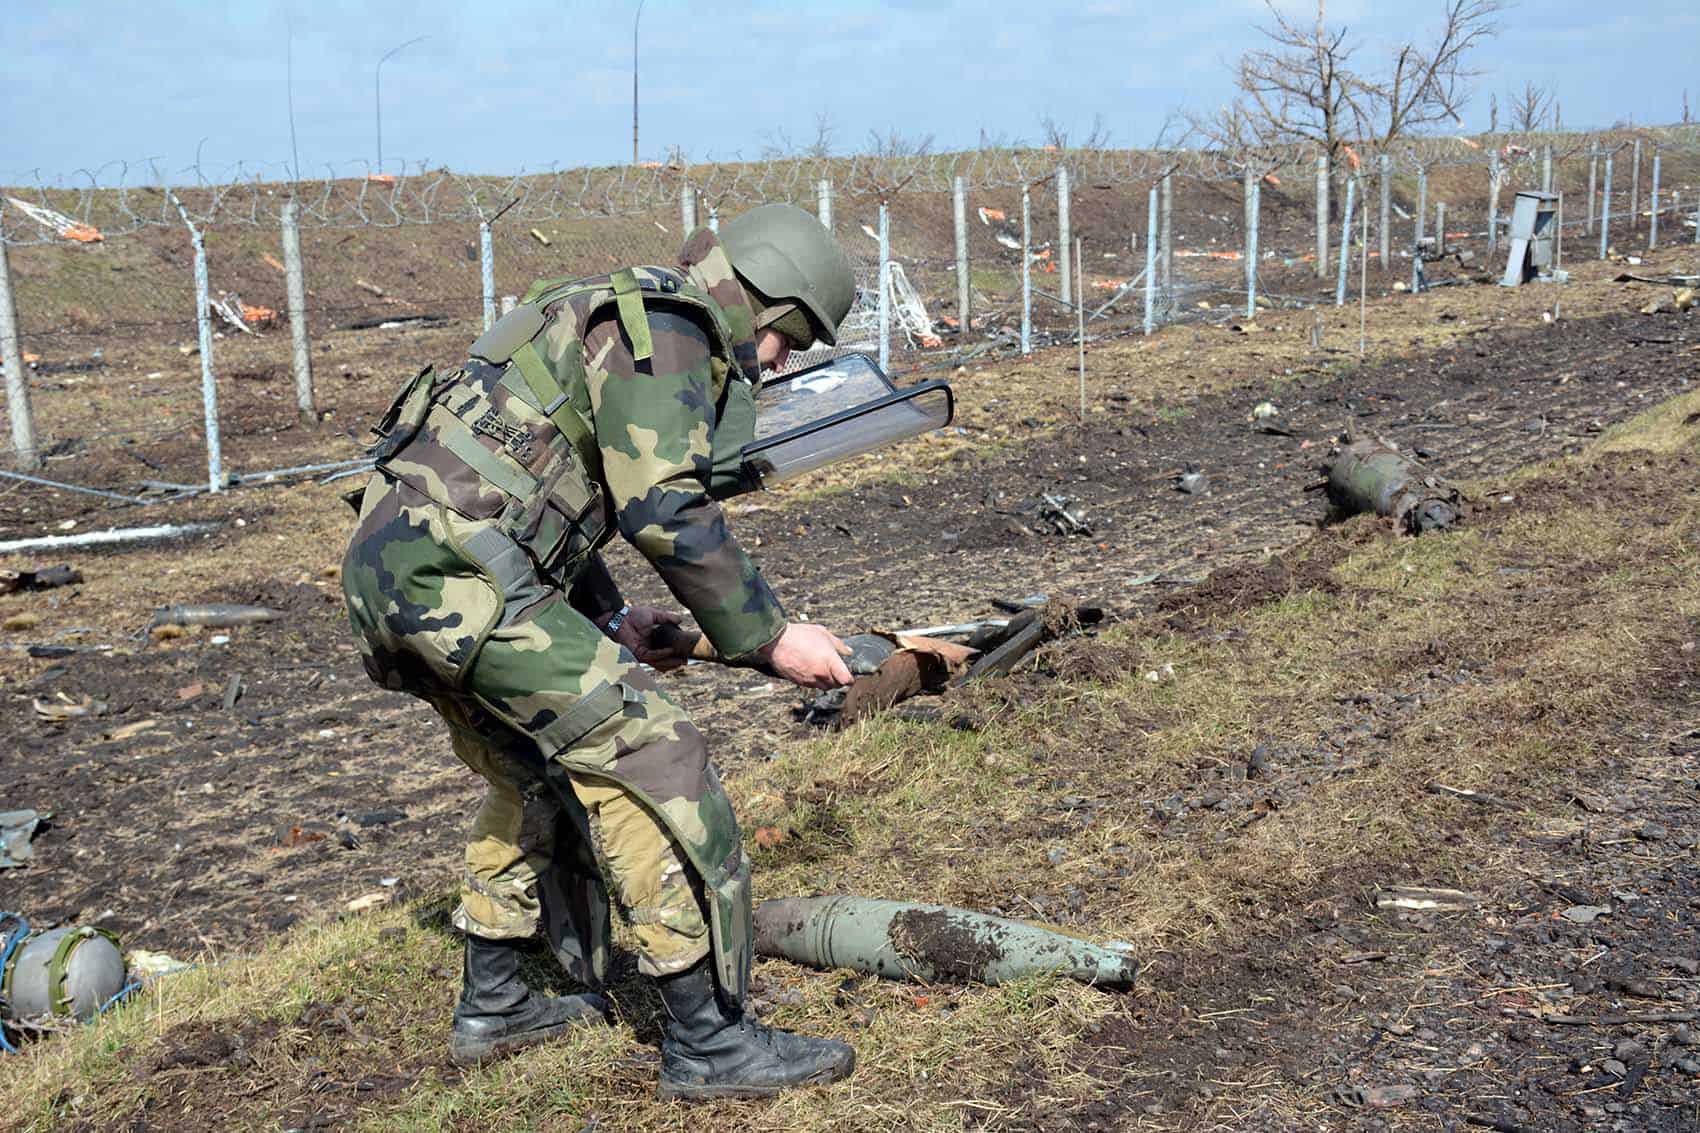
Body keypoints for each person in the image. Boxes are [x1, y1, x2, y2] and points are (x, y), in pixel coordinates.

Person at [340, 204, 859, 1100]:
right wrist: (772, 638)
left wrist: (612, 617)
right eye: (790, 344)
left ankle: (495, 1002)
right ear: (771, 305)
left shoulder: (600, 305)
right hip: (461, 577)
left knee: (534, 768)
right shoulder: (675, 327)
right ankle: (709, 1041)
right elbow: (664, 504)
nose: (774, 364)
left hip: (401, 570)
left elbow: (531, 487)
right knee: (651, 755)